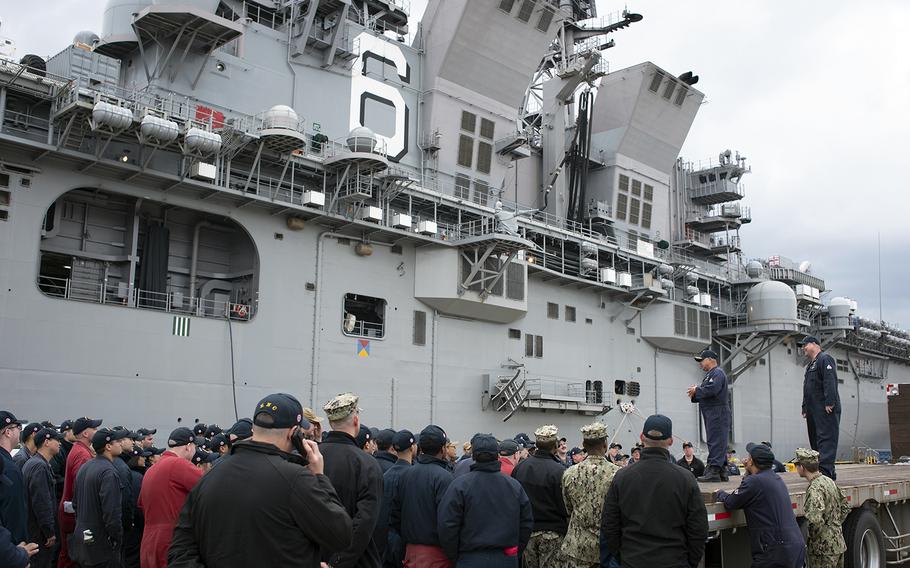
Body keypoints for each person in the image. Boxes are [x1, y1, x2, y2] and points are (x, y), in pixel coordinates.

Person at [168, 392, 351, 566]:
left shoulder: (210, 476)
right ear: (294, 433)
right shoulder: (295, 479)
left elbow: (180, 550)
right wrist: (319, 476)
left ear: (254, 428)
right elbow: (340, 535)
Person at [601, 415, 707, 568]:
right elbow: (698, 528)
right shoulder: (685, 478)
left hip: (632, 560)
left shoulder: (622, 477)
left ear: (642, 437)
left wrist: (622, 556)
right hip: (674, 561)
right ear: (670, 441)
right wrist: (690, 561)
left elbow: (610, 524)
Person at [437, 434, 532, 567]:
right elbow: (526, 523)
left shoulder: (459, 486)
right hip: (504, 558)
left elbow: (447, 525)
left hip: (469, 558)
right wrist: (514, 554)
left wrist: (456, 556)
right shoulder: (514, 486)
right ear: (497, 455)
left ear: (473, 456)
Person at [715, 443, 806, 567]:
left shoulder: (755, 482)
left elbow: (731, 502)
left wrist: (720, 493)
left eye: (748, 457)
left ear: (752, 461)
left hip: (775, 550)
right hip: (793, 545)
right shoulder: (775, 478)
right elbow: (746, 492)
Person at [320, 393, 384, 568]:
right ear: (356, 421)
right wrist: (337, 562)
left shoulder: (311, 456)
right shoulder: (368, 464)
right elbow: (364, 523)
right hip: (356, 561)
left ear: (331, 422)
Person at [137, 426, 203, 568]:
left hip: (148, 543)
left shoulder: (150, 470)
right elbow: (209, 488)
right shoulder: (179, 464)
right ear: (188, 447)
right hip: (171, 542)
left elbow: (141, 504)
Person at [390, 425, 453, 567]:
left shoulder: (405, 474)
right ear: (443, 449)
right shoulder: (445, 477)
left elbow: (395, 514)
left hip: (410, 553)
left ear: (419, 447)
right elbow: (448, 521)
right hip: (438, 556)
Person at [561, 422, 619, 568]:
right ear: (605, 444)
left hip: (576, 547)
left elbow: (568, 508)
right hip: (607, 549)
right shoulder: (618, 474)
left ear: (584, 445)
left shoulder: (569, 473)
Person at [68, 428, 128, 568]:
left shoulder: (85, 467)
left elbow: (75, 504)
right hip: (100, 543)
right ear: (108, 446)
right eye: (118, 441)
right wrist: (116, 539)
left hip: (83, 535)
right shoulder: (108, 472)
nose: (120, 444)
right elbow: (112, 513)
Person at [510, 425, 567, 568]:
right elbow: (565, 505)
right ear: (555, 446)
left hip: (527, 532)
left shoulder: (520, 468)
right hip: (553, 533)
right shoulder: (560, 471)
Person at [58, 416, 102, 568]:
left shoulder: (79, 450)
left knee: (70, 555)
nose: (97, 431)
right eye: (94, 428)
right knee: (75, 557)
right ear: (85, 433)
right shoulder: (82, 454)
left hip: (73, 515)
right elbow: (83, 488)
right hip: (77, 518)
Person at [794, 448, 851, 567]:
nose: (796, 468)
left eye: (796, 465)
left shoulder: (815, 488)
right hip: (838, 544)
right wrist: (834, 525)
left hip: (823, 551)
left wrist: (815, 539)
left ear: (803, 467)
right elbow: (845, 506)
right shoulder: (829, 481)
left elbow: (815, 520)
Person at [799, 335, 842, 479]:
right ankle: (821, 471)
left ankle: (827, 474)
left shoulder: (825, 359)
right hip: (813, 410)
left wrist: (830, 402)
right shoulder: (811, 364)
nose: (803, 348)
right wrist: (805, 407)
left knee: (826, 440)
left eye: (805, 344)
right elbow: (807, 388)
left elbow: (830, 381)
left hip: (825, 409)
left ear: (814, 344)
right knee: (815, 440)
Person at [687, 349, 732, 482]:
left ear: (710, 360)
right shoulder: (710, 374)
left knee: (716, 440)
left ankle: (713, 470)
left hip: (717, 411)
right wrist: (695, 393)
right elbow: (707, 392)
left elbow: (713, 389)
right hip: (712, 411)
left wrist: (697, 390)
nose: (700, 363)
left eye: (702, 360)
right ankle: (722, 470)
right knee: (717, 439)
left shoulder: (717, 373)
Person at [22, 428, 64, 568]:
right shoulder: (39, 466)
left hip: (34, 530)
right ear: (46, 442)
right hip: (39, 534)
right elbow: (41, 502)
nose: (60, 443)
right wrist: (49, 532)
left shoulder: (35, 463)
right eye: (57, 440)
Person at [381, 430, 415, 568]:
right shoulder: (413, 475)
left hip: (384, 540)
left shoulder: (386, 475)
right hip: (404, 541)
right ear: (413, 447)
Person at [51, 420, 76, 503]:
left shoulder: (72, 448)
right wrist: (72, 483)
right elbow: (55, 476)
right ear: (66, 432)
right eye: (74, 430)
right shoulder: (59, 450)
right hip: (60, 497)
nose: (77, 433)